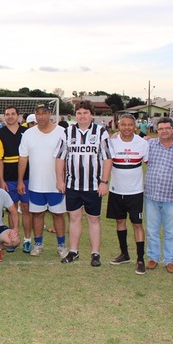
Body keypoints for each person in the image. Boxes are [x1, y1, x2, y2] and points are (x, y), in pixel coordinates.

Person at [56, 100, 112, 266]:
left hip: (94, 185)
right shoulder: (67, 132)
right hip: (73, 185)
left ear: (91, 115)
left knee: (93, 219)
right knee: (74, 217)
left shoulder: (101, 132)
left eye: (85, 113)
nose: (82, 116)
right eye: (79, 113)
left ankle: (95, 253)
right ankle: (73, 251)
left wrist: (104, 182)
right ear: (75, 115)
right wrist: (60, 180)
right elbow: (60, 157)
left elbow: (108, 158)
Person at [18, 103, 66, 258]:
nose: (41, 116)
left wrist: (64, 180)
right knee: (37, 215)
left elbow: (67, 158)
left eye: (44, 113)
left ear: (50, 114)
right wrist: (20, 180)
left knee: (58, 215)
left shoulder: (62, 132)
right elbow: (23, 158)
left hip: (56, 184)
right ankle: (38, 244)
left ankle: (61, 246)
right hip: (36, 184)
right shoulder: (28, 134)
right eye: (38, 113)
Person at [106, 114, 149, 274]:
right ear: (118, 126)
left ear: (135, 126)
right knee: (120, 222)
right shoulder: (112, 142)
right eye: (123, 125)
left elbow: (148, 162)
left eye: (130, 125)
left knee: (137, 224)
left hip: (135, 192)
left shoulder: (143, 144)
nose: (126, 128)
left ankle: (140, 259)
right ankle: (124, 254)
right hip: (116, 190)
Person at [144, 118, 173, 273]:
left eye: (167, 128)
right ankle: (153, 257)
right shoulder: (149, 145)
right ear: (157, 130)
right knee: (152, 229)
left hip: (172, 196)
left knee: (171, 231)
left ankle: (169, 260)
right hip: (151, 194)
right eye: (161, 128)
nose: (164, 131)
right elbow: (130, 142)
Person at [0, 106, 32, 253]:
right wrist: (2, 180)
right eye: (7, 114)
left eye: (12, 114)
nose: (10, 116)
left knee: (27, 209)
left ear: (18, 115)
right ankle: (12, 238)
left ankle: (27, 240)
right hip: (9, 179)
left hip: (27, 177)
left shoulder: (26, 132)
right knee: (12, 209)